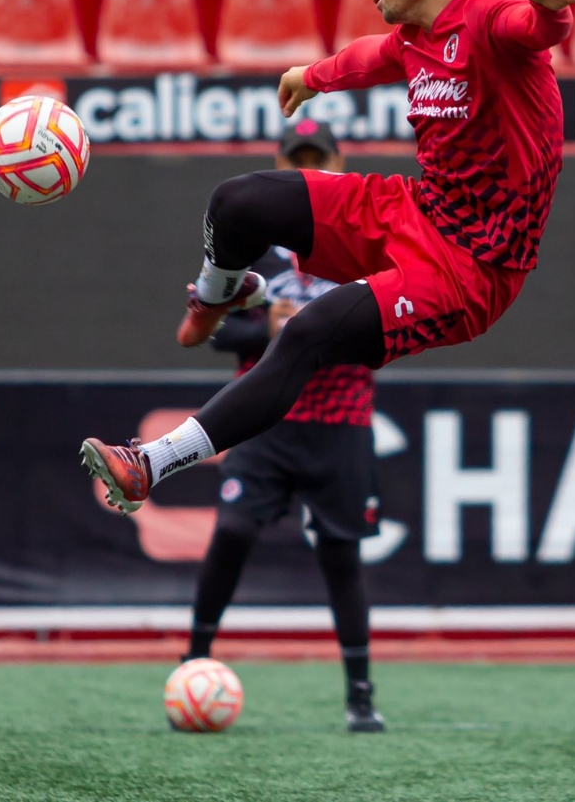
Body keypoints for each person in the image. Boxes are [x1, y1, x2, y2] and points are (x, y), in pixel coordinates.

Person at [82, 0, 575, 556]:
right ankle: (222, 293)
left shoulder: (491, 15)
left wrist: (553, 9)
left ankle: (149, 464)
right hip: (414, 211)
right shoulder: (417, 34)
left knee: (307, 333)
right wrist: (308, 77)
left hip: (470, 272)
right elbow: (369, 58)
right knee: (239, 201)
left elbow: (533, 29)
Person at [183, 119, 385, 732]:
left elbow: (390, 332)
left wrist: (319, 331)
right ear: (280, 163)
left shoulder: (367, 247)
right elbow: (208, 332)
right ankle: (193, 664)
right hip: (265, 421)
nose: (312, 167)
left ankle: (360, 694)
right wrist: (269, 329)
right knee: (234, 534)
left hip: (341, 421)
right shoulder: (257, 252)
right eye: (300, 160)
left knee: (340, 553)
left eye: (319, 158)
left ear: (339, 161)